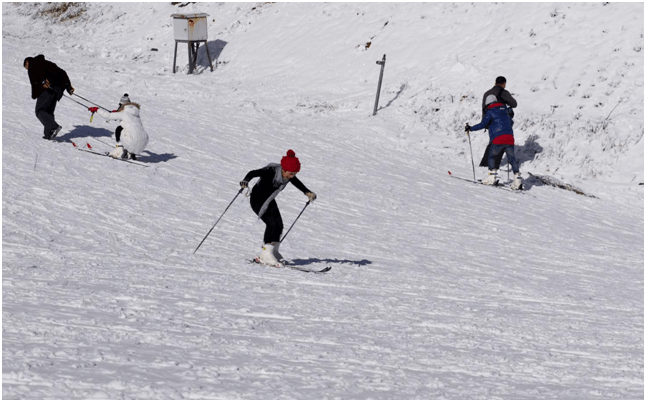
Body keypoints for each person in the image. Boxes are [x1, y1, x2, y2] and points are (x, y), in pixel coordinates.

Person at [240, 150, 317, 266]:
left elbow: (296, 182)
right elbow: (253, 172)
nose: (291, 177)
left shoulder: (288, 175)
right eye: (290, 174)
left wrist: (307, 192)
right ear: (284, 169)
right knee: (271, 224)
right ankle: (266, 254)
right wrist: (245, 181)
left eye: (294, 174)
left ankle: (273, 251)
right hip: (257, 200)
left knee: (279, 225)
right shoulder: (271, 171)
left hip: (269, 200)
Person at [466, 94, 522, 190]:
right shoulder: (505, 110)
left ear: (488, 103)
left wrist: (471, 128)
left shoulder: (490, 111)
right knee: (512, 159)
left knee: (492, 157)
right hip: (509, 138)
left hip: (498, 138)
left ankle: (492, 177)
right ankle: (518, 180)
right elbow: (511, 122)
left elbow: (483, 124)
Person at [23, 55, 75, 140]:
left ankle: (53, 127)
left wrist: (43, 81)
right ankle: (49, 134)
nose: (27, 69)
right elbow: (62, 73)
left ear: (27, 62)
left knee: (40, 111)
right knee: (48, 112)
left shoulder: (33, 64)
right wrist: (68, 86)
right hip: (57, 90)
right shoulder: (48, 64)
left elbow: (34, 83)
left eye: (26, 67)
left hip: (47, 89)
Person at [88, 96, 148, 160]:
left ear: (122, 105)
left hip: (132, 141)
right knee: (132, 131)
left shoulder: (123, 113)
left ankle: (119, 151)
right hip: (143, 143)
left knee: (119, 129)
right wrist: (117, 112)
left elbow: (108, 116)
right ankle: (131, 153)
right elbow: (126, 118)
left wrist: (97, 109)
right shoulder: (136, 113)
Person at [479, 76, 518, 168]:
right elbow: (514, 104)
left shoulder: (487, 93)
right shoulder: (503, 92)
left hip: (488, 121)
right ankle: (492, 167)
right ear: (504, 84)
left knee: (493, 142)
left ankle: (485, 165)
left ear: (495, 82)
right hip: (499, 122)